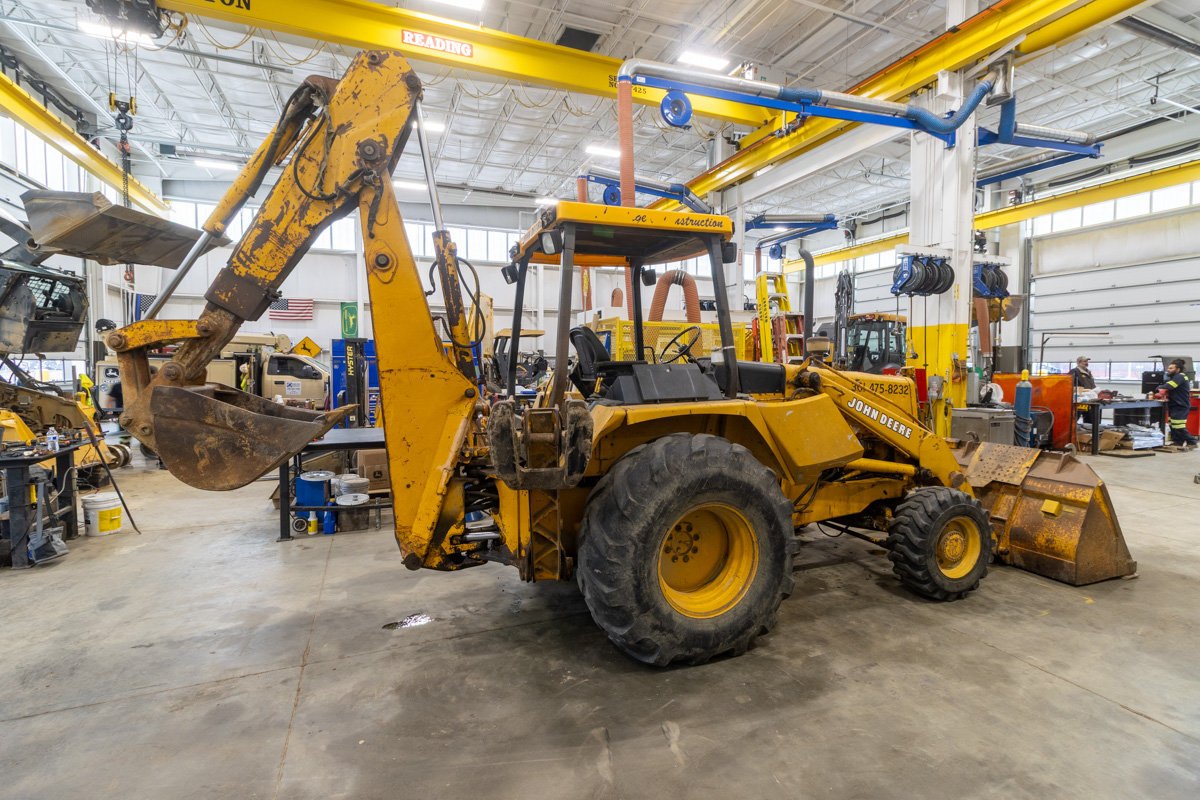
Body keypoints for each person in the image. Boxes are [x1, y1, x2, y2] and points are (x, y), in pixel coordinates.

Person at [1153, 358, 1197, 449]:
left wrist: (1159, 387)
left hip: (1180, 405)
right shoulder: (1176, 377)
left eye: (1171, 368)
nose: (1168, 370)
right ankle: (1178, 441)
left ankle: (1192, 441)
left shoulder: (1180, 376)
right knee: (1172, 425)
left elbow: (1170, 386)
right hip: (1174, 404)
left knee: (1178, 425)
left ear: (1178, 369)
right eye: (1168, 368)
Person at [1072, 356, 1097, 425]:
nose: (1086, 363)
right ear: (1078, 362)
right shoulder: (1074, 372)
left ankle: (1089, 434)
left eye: (1087, 361)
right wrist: (1081, 390)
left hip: (1089, 399)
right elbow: (1070, 385)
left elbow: (1092, 384)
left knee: (1090, 421)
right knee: (1073, 420)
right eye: (1084, 361)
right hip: (1079, 400)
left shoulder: (1088, 372)